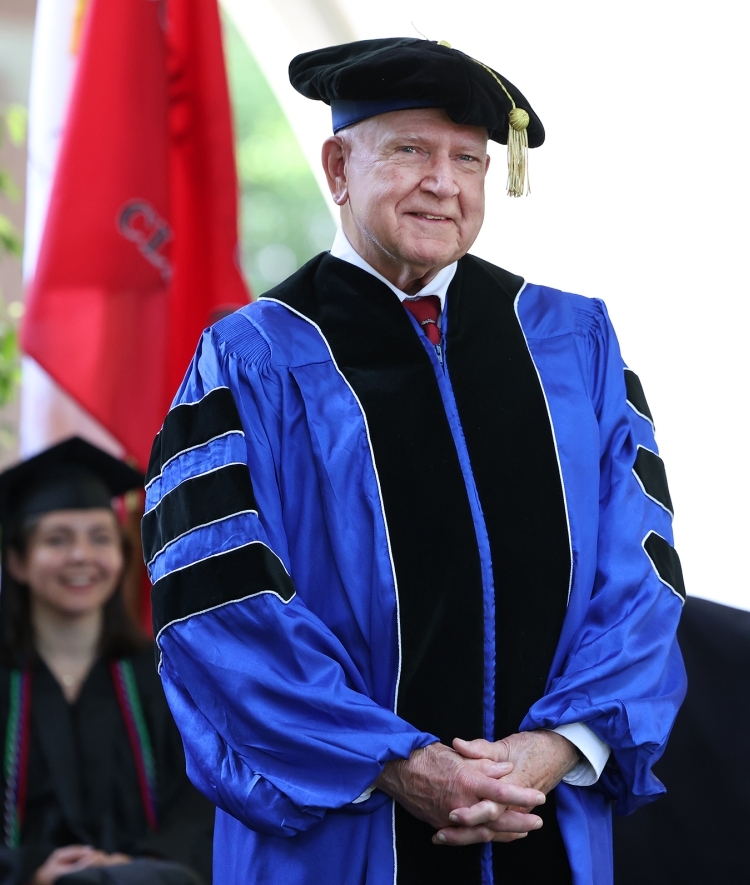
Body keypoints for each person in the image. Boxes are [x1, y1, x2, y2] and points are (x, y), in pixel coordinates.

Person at [142, 38, 686, 885]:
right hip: (343, 838)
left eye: (469, 159)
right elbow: (219, 610)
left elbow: (642, 572)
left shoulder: (572, 345)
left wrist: (554, 747)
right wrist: (400, 765)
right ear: (337, 166)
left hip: (538, 816)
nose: (445, 183)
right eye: (409, 151)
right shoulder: (249, 360)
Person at [0, 438, 214, 885]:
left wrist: (136, 868)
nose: (81, 556)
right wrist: (28, 869)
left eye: (100, 538)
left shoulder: (169, 673)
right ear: (17, 561)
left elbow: (202, 798)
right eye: (58, 540)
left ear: (120, 556)